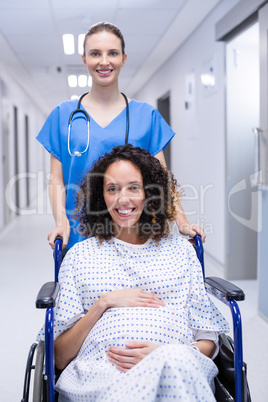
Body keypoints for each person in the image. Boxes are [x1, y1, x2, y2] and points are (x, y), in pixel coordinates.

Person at [37, 145, 228, 401]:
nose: (122, 199)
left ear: (151, 194)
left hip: (179, 365)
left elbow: (207, 339)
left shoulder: (181, 252)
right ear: (100, 197)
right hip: (102, 373)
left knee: (175, 362)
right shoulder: (80, 256)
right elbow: (59, 356)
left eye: (133, 188)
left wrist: (165, 354)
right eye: (112, 189)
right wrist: (104, 303)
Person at [36, 21, 205, 254]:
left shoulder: (146, 116)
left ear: (124, 58)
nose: (104, 61)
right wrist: (61, 223)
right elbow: (56, 179)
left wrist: (182, 221)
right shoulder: (62, 115)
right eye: (95, 53)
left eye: (112, 53)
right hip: (78, 236)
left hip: (135, 235)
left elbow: (161, 178)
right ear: (84, 59)